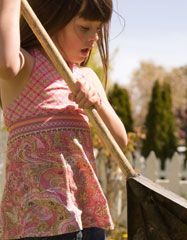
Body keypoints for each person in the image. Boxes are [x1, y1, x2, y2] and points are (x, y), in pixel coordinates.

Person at [0, 0, 128, 239]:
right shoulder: (25, 66)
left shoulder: (86, 77)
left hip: (86, 218)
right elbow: (5, 64)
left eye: (98, 30)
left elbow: (119, 141)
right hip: (36, 223)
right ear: (53, 20)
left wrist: (97, 104)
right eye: (84, 27)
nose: (94, 38)